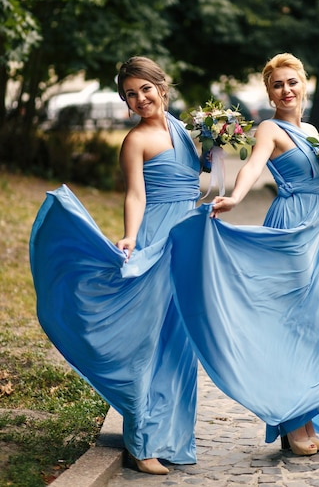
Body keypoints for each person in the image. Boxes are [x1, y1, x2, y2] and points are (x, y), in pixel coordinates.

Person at [168, 52, 319, 457]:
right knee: (292, 325)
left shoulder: (311, 129)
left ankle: (305, 414)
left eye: (291, 82)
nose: (285, 90)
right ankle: (294, 424)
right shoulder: (268, 130)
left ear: (303, 84)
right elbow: (253, 168)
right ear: (269, 92)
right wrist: (235, 197)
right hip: (290, 229)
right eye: (277, 84)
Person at [30, 56, 201, 475]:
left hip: (189, 241)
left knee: (181, 342)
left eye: (145, 88)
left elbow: (198, 176)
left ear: (162, 86)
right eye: (130, 94)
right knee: (147, 342)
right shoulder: (136, 140)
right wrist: (129, 235)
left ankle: (174, 440)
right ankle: (140, 444)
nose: (140, 98)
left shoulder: (183, 129)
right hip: (158, 239)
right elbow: (136, 195)